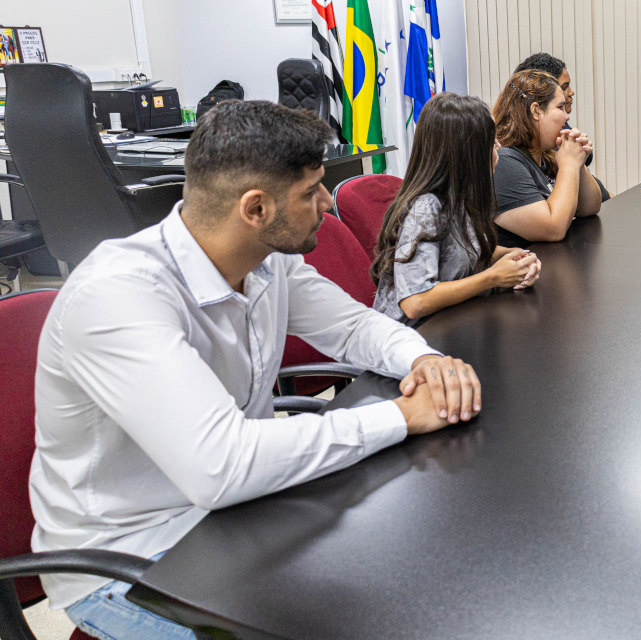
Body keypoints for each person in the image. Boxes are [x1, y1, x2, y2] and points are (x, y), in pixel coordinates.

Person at [29, 100, 482, 639]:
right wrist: (403, 416)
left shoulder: (265, 261)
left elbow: (355, 328)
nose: (325, 204)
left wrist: (424, 360)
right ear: (255, 208)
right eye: (311, 191)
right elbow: (221, 467)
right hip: (132, 560)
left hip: (241, 519)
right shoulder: (118, 296)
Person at [371, 92, 542, 325]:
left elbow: (461, 251)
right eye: (492, 143)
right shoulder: (425, 208)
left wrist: (516, 258)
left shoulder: (462, 195)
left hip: (453, 320)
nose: (499, 147)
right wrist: (493, 277)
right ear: (467, 153)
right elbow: (415, 301)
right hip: (413, 338)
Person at [491, 69, 602, 247]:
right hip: (524, 272)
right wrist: (569, 165)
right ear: (536, 111)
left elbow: (590, 208)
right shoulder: (505, 161)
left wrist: (578, 161)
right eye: (560, 107)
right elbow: (553, 229)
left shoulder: (545, 156)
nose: (567, 117)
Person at [513, 53, 610, 203]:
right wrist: (571, 163)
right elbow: (553, 223)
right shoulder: (512, 161)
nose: (571, 92)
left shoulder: (548, 147)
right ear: (536, 110)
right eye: (564, 87)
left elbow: (592, 204)